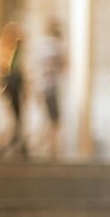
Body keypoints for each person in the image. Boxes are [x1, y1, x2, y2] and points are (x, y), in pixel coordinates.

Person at [0, 21, 26, 158]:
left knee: (18, 117)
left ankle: (18, 142)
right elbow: (2, 69)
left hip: (15, 85)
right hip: (11, 85)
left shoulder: (16, 49)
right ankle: (13, 142)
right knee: (14, 117)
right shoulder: (6, 50)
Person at [34, 19, 66, 158]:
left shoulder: (42, 45)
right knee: (54, 120)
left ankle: (50, 149)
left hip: (43, 87)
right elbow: (60, 64)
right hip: (49, 88)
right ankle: (51, 150)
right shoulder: (51, 46)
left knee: (50, 120)